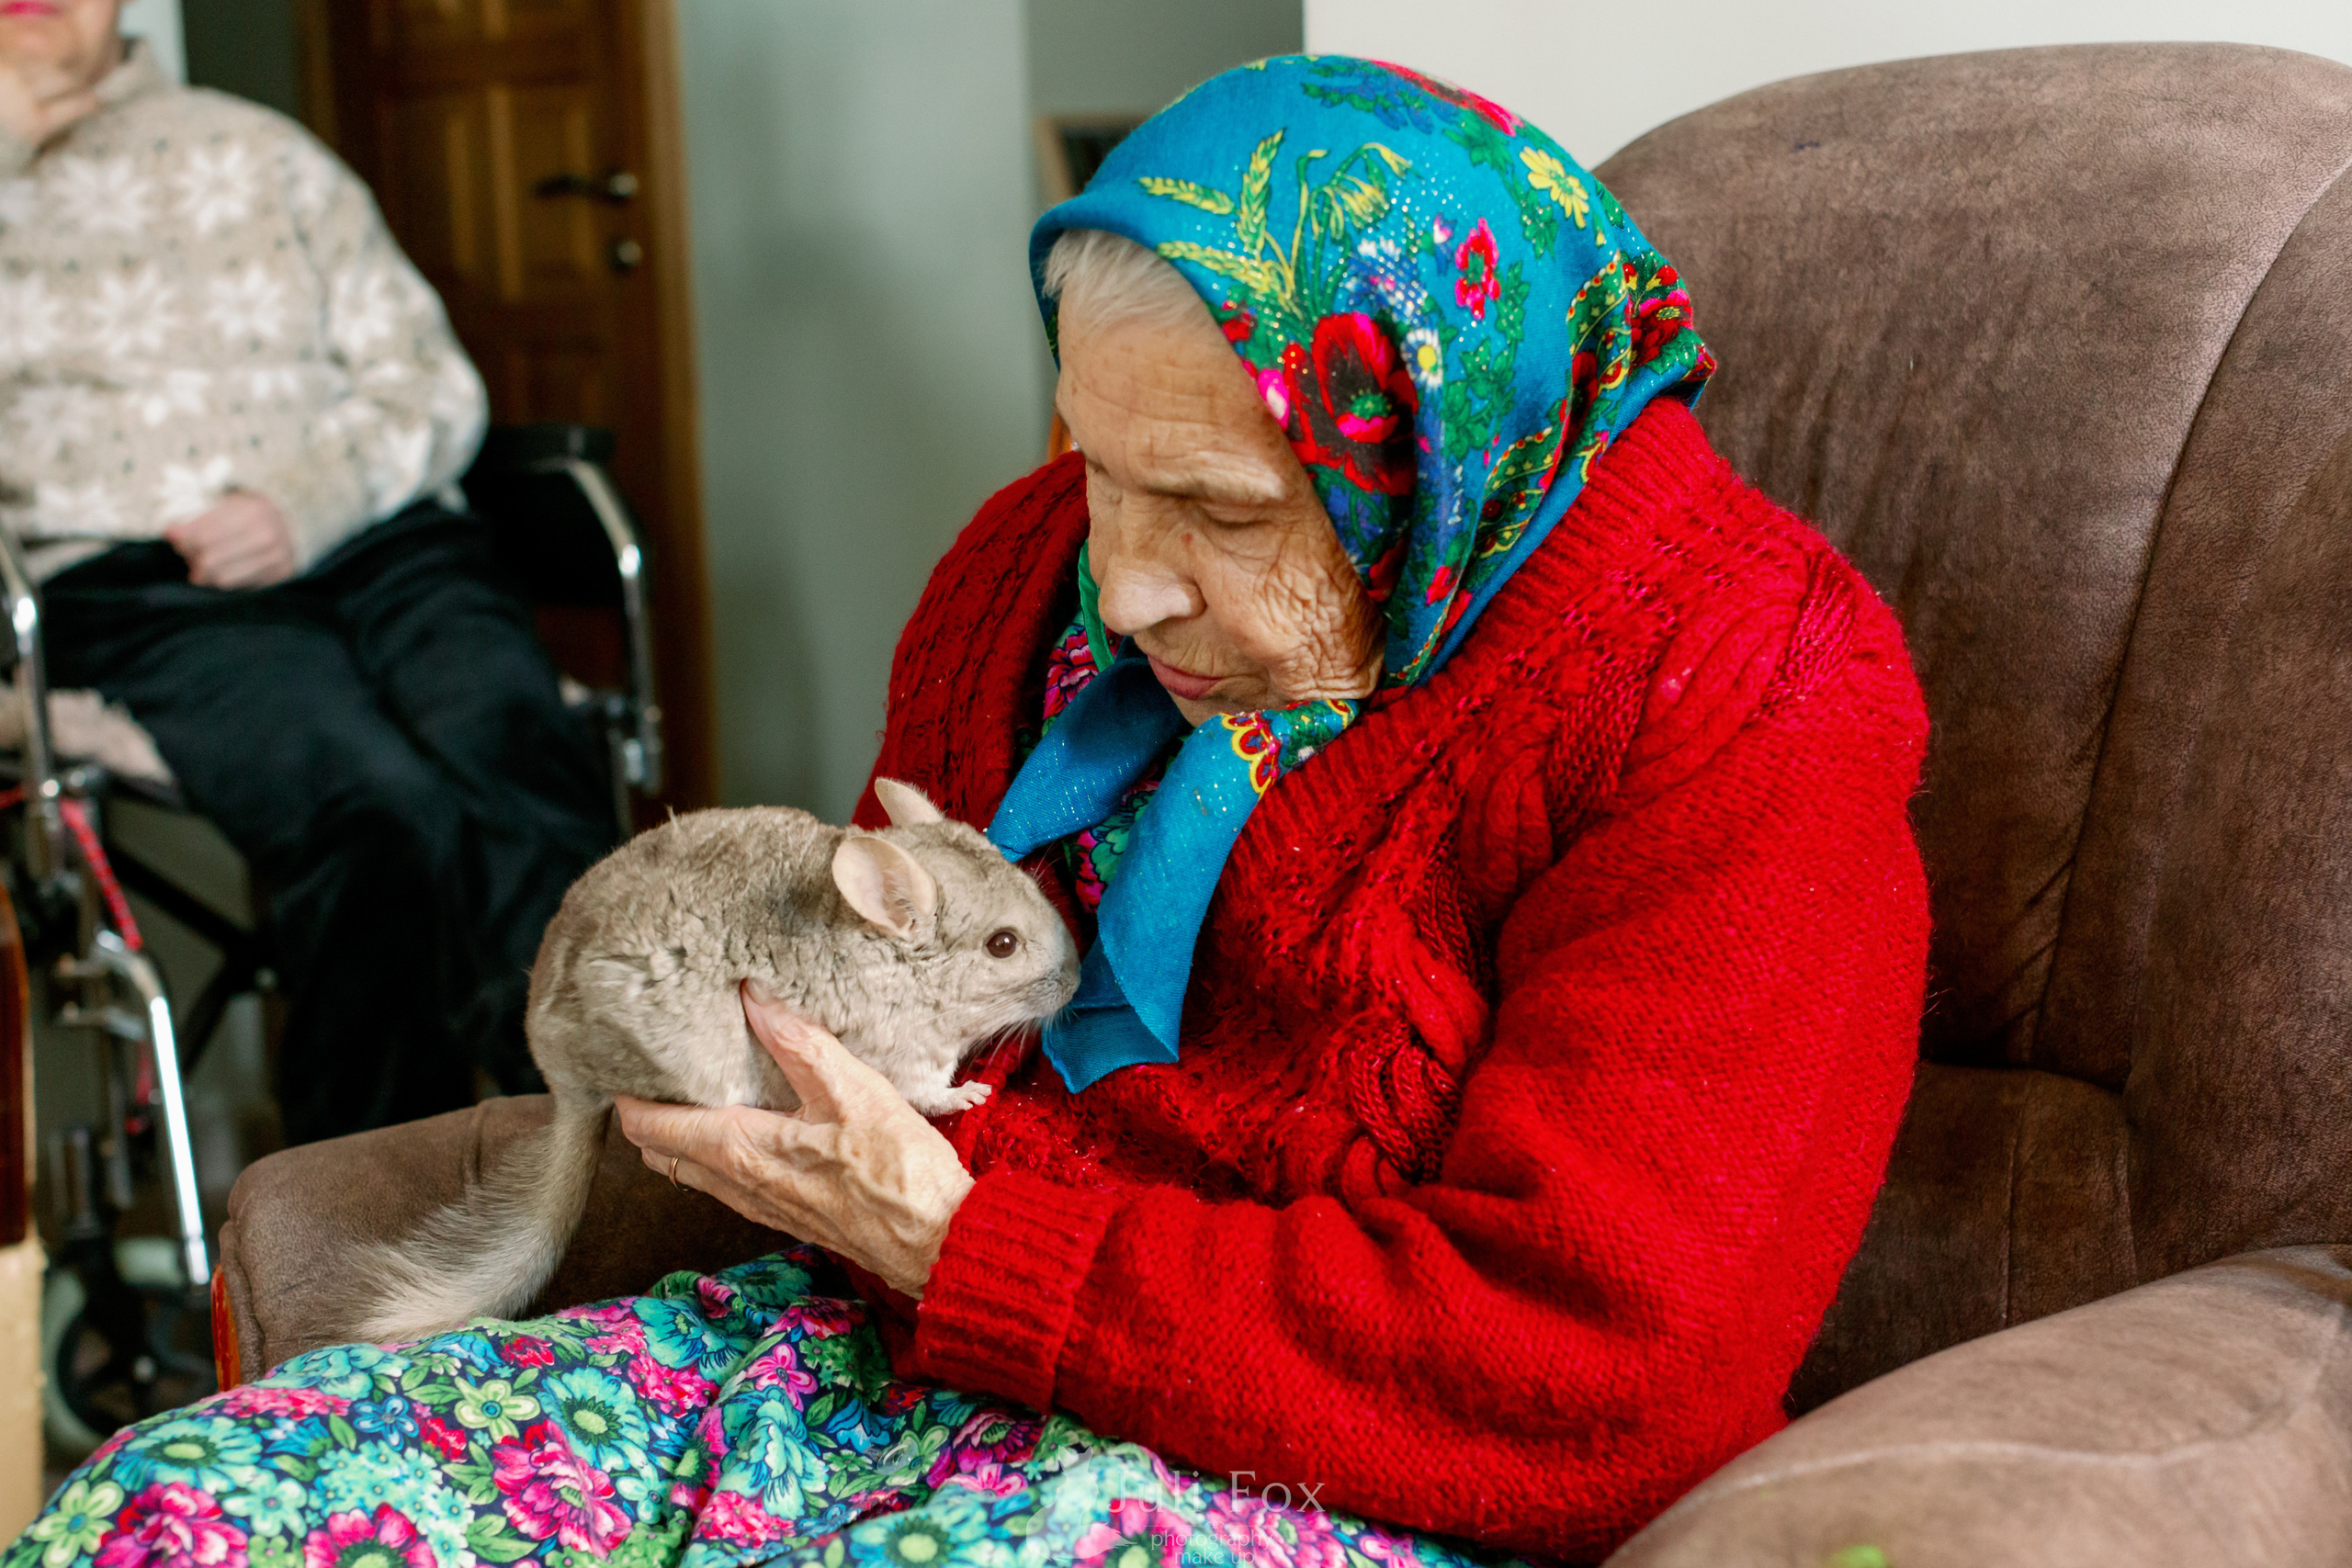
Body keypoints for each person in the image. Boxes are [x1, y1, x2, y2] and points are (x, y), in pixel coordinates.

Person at [5, 56, 1930, 1563]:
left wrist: (967, 1244)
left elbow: (1605, 1371)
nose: (1128, 584)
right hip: (882, 1355)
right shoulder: (1030, 567)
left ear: (1436, 446)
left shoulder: (1736, 697)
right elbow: (863, 1010)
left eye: (1227, 514)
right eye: (1095, 466)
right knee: (176, 1508)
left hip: (1336, 1476)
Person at [0, 0, 615, 1141]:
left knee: (507, 740)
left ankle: (602, 1156)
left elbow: (432, 384)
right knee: (372, 809)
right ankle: (374, 1215)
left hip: (372, 535)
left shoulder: (263, 153)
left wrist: (299, 504)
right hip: (136, 586)